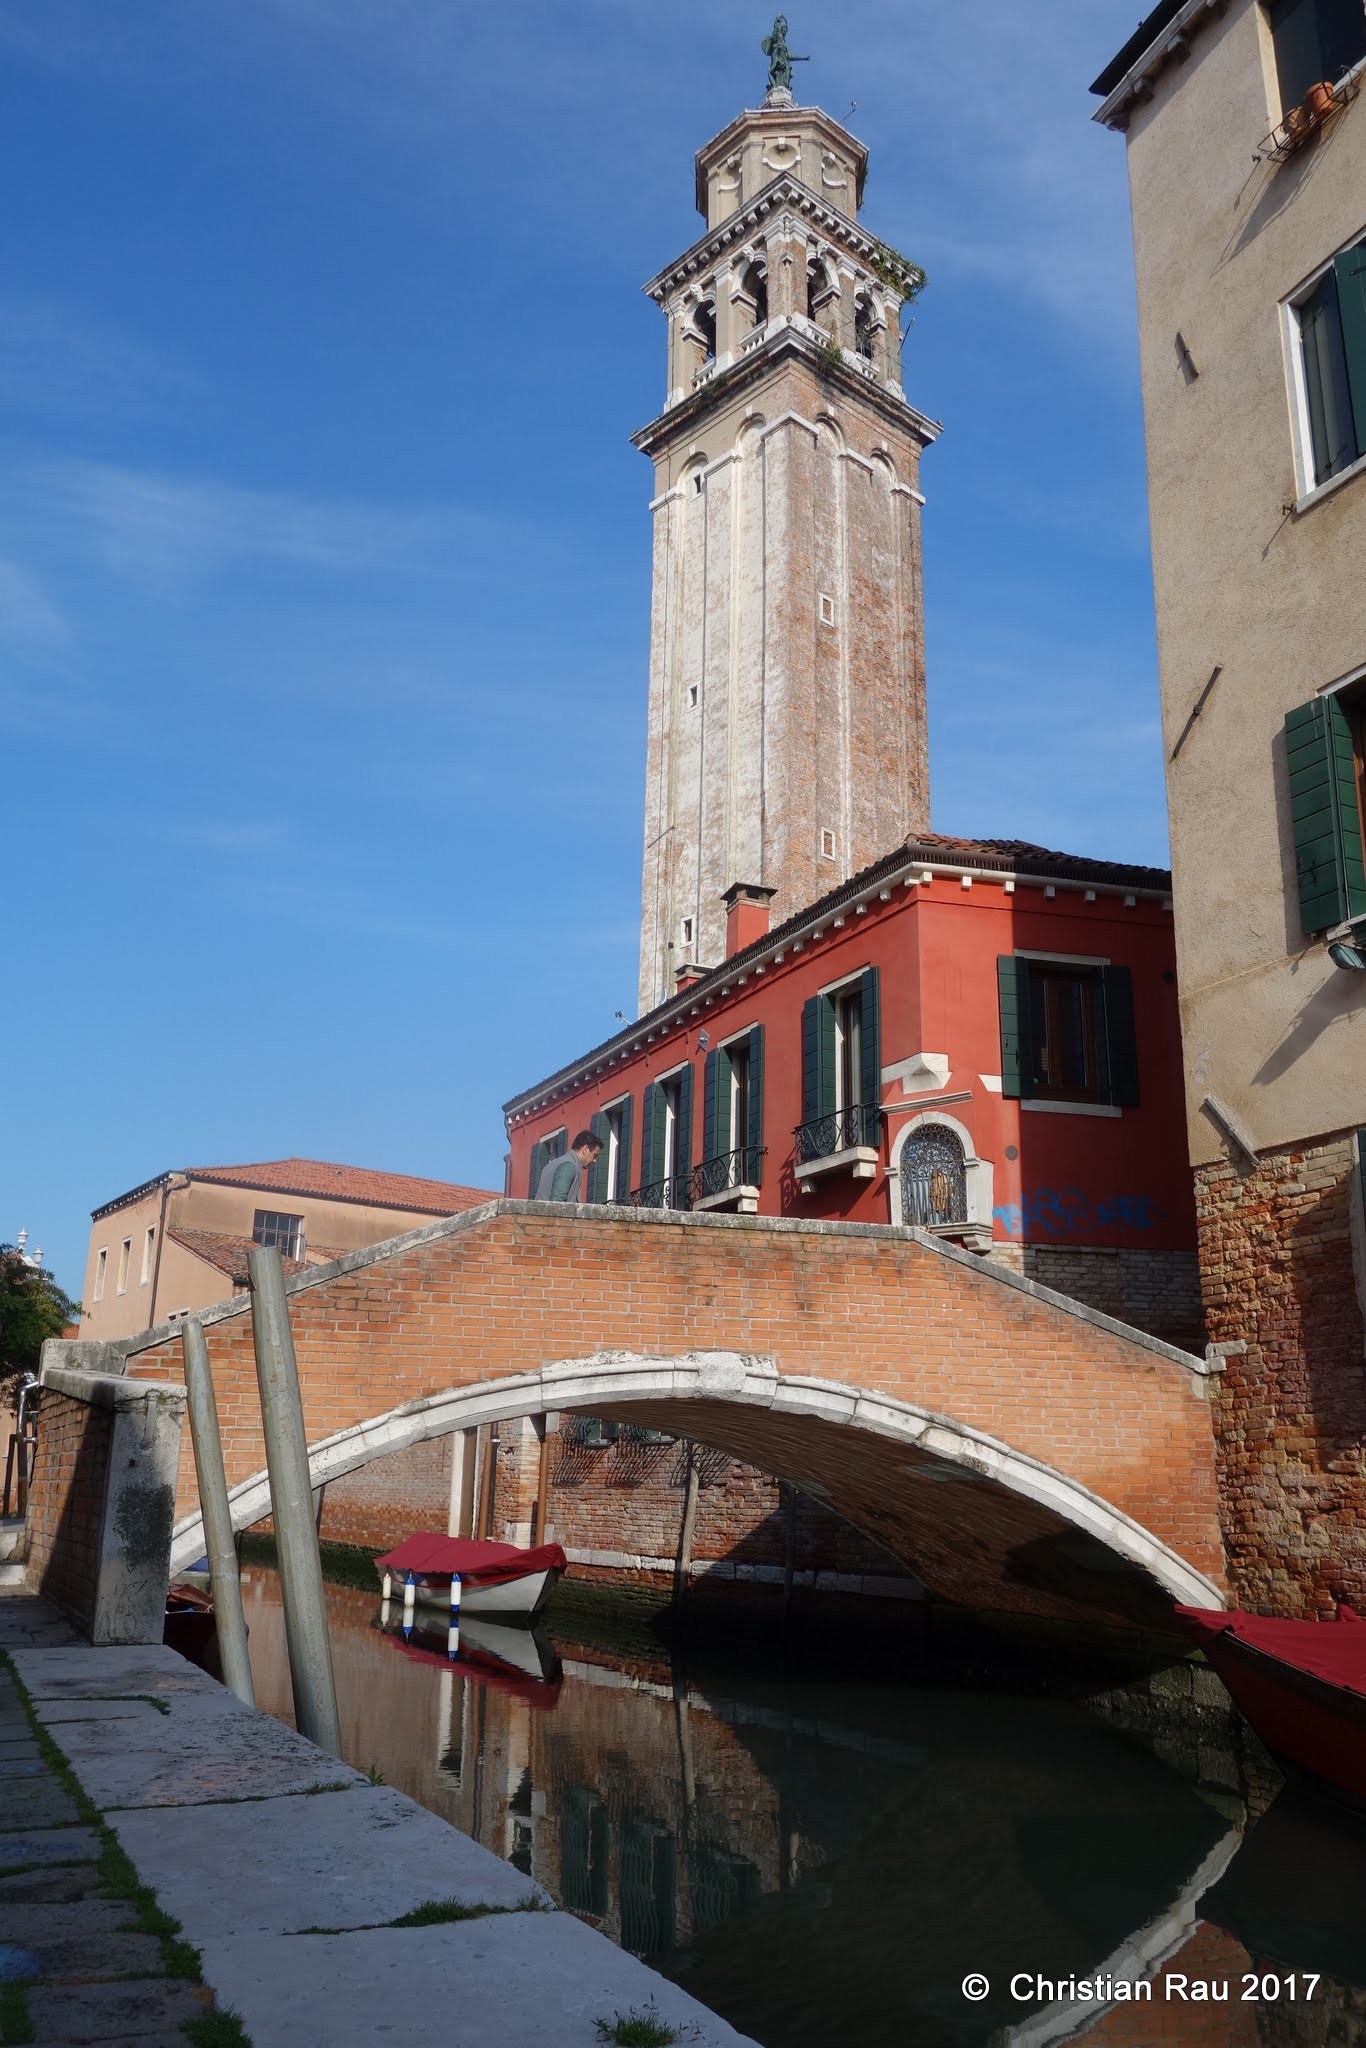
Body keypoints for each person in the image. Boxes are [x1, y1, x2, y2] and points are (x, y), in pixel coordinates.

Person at [536, 1131, 603, 1203]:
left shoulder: (553, 1164)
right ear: (585, 1149)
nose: (594, 1160)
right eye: (594, 1155)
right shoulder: (569, 1166)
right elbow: (557, 1203)